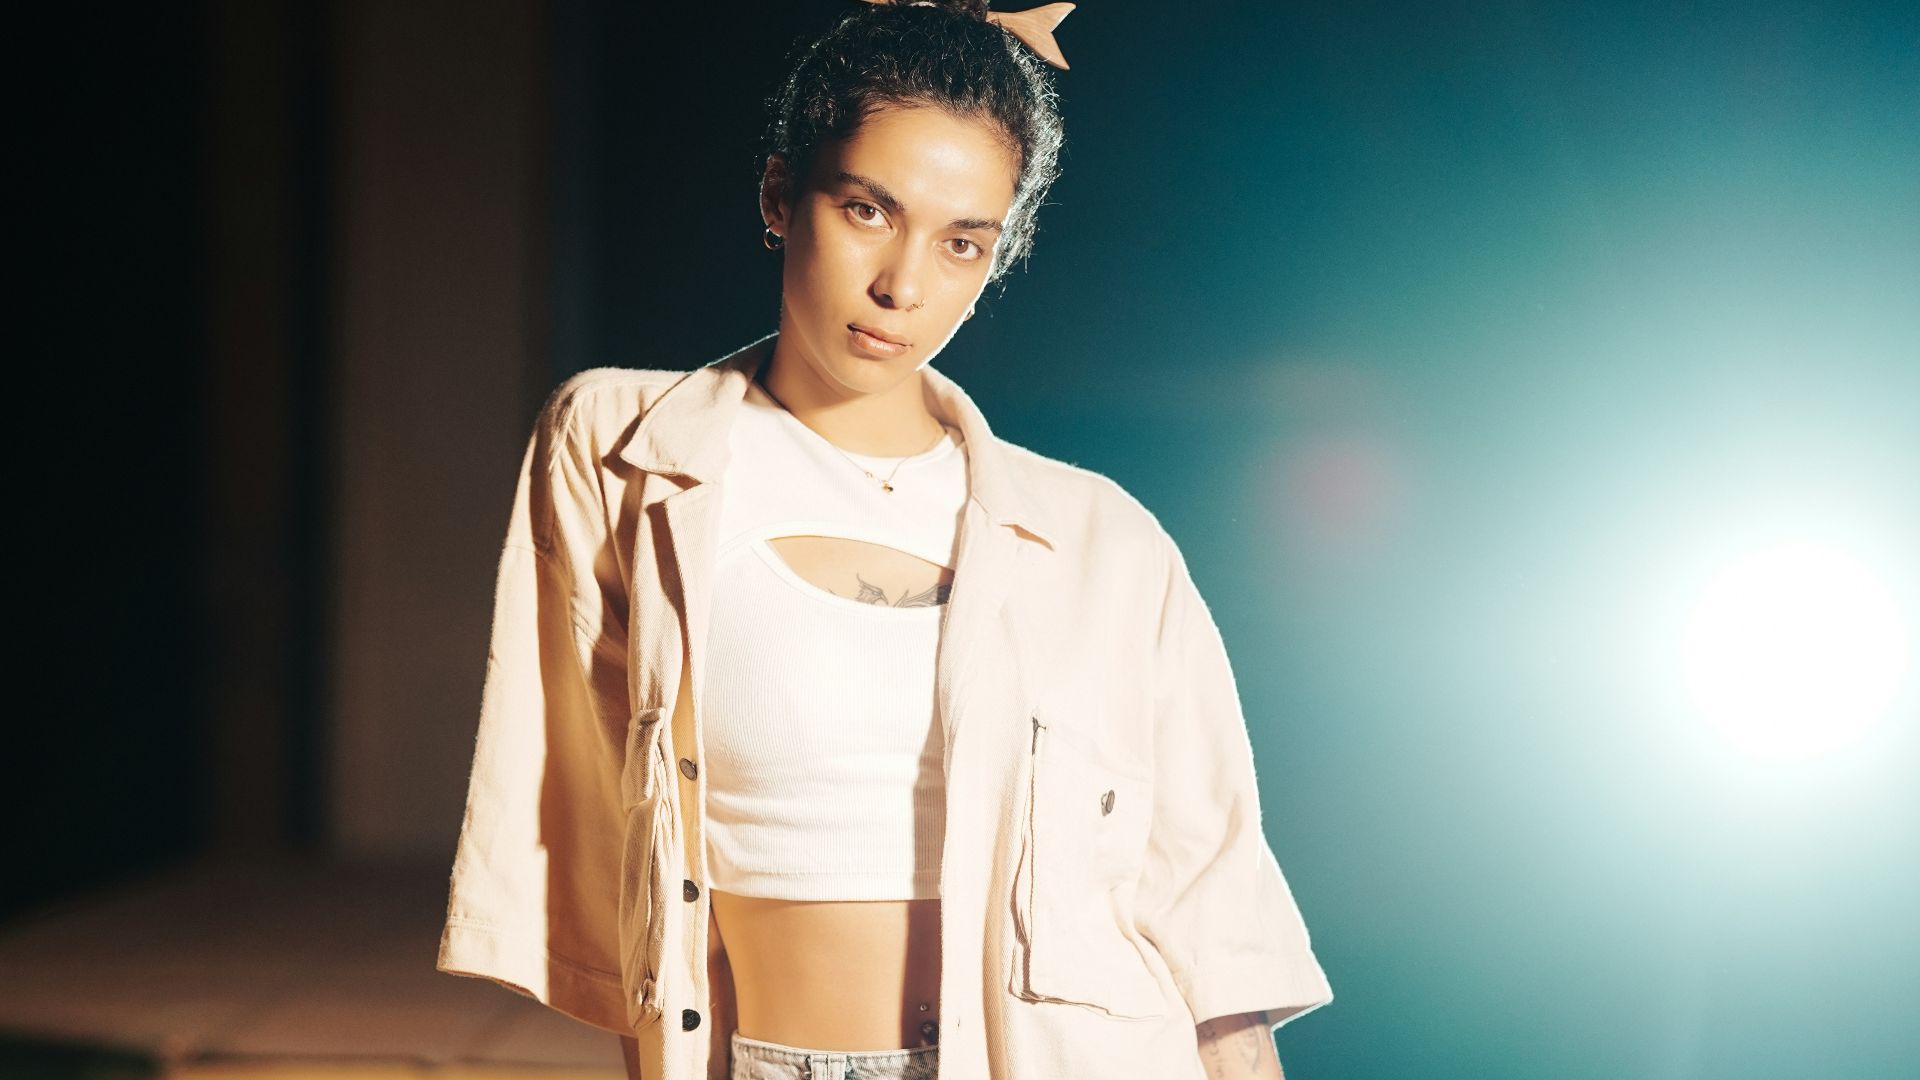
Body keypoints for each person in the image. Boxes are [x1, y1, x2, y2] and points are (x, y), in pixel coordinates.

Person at [435, 2, 1333, 1078]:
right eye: (868, 209)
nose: (904, 286)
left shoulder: (1105, 542)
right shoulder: (623, 451)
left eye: (962, 244)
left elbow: (1209, 906)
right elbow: (622, 856)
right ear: (780, 193)